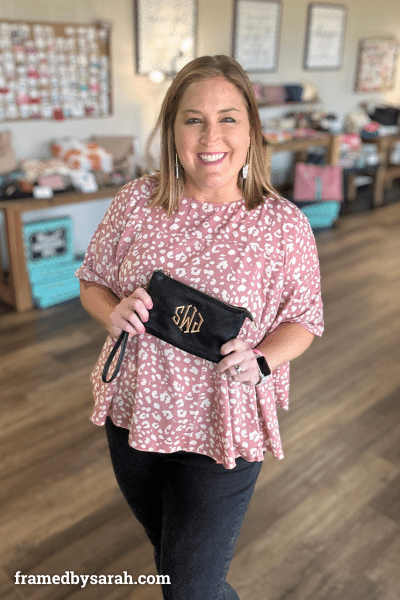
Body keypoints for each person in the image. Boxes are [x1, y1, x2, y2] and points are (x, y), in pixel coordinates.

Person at [76, 54, 324, 600]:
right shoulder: (137, 202)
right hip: (137, 415)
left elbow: (304, 320)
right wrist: (111, 311)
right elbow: (92, 281)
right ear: (172, 129)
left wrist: (262, 359)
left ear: (253, 129)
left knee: (187, 588)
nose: (211, 135)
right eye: (193, 119)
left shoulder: (283, 225)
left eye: (228, 117)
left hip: (223, 428)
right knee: (174, 560)